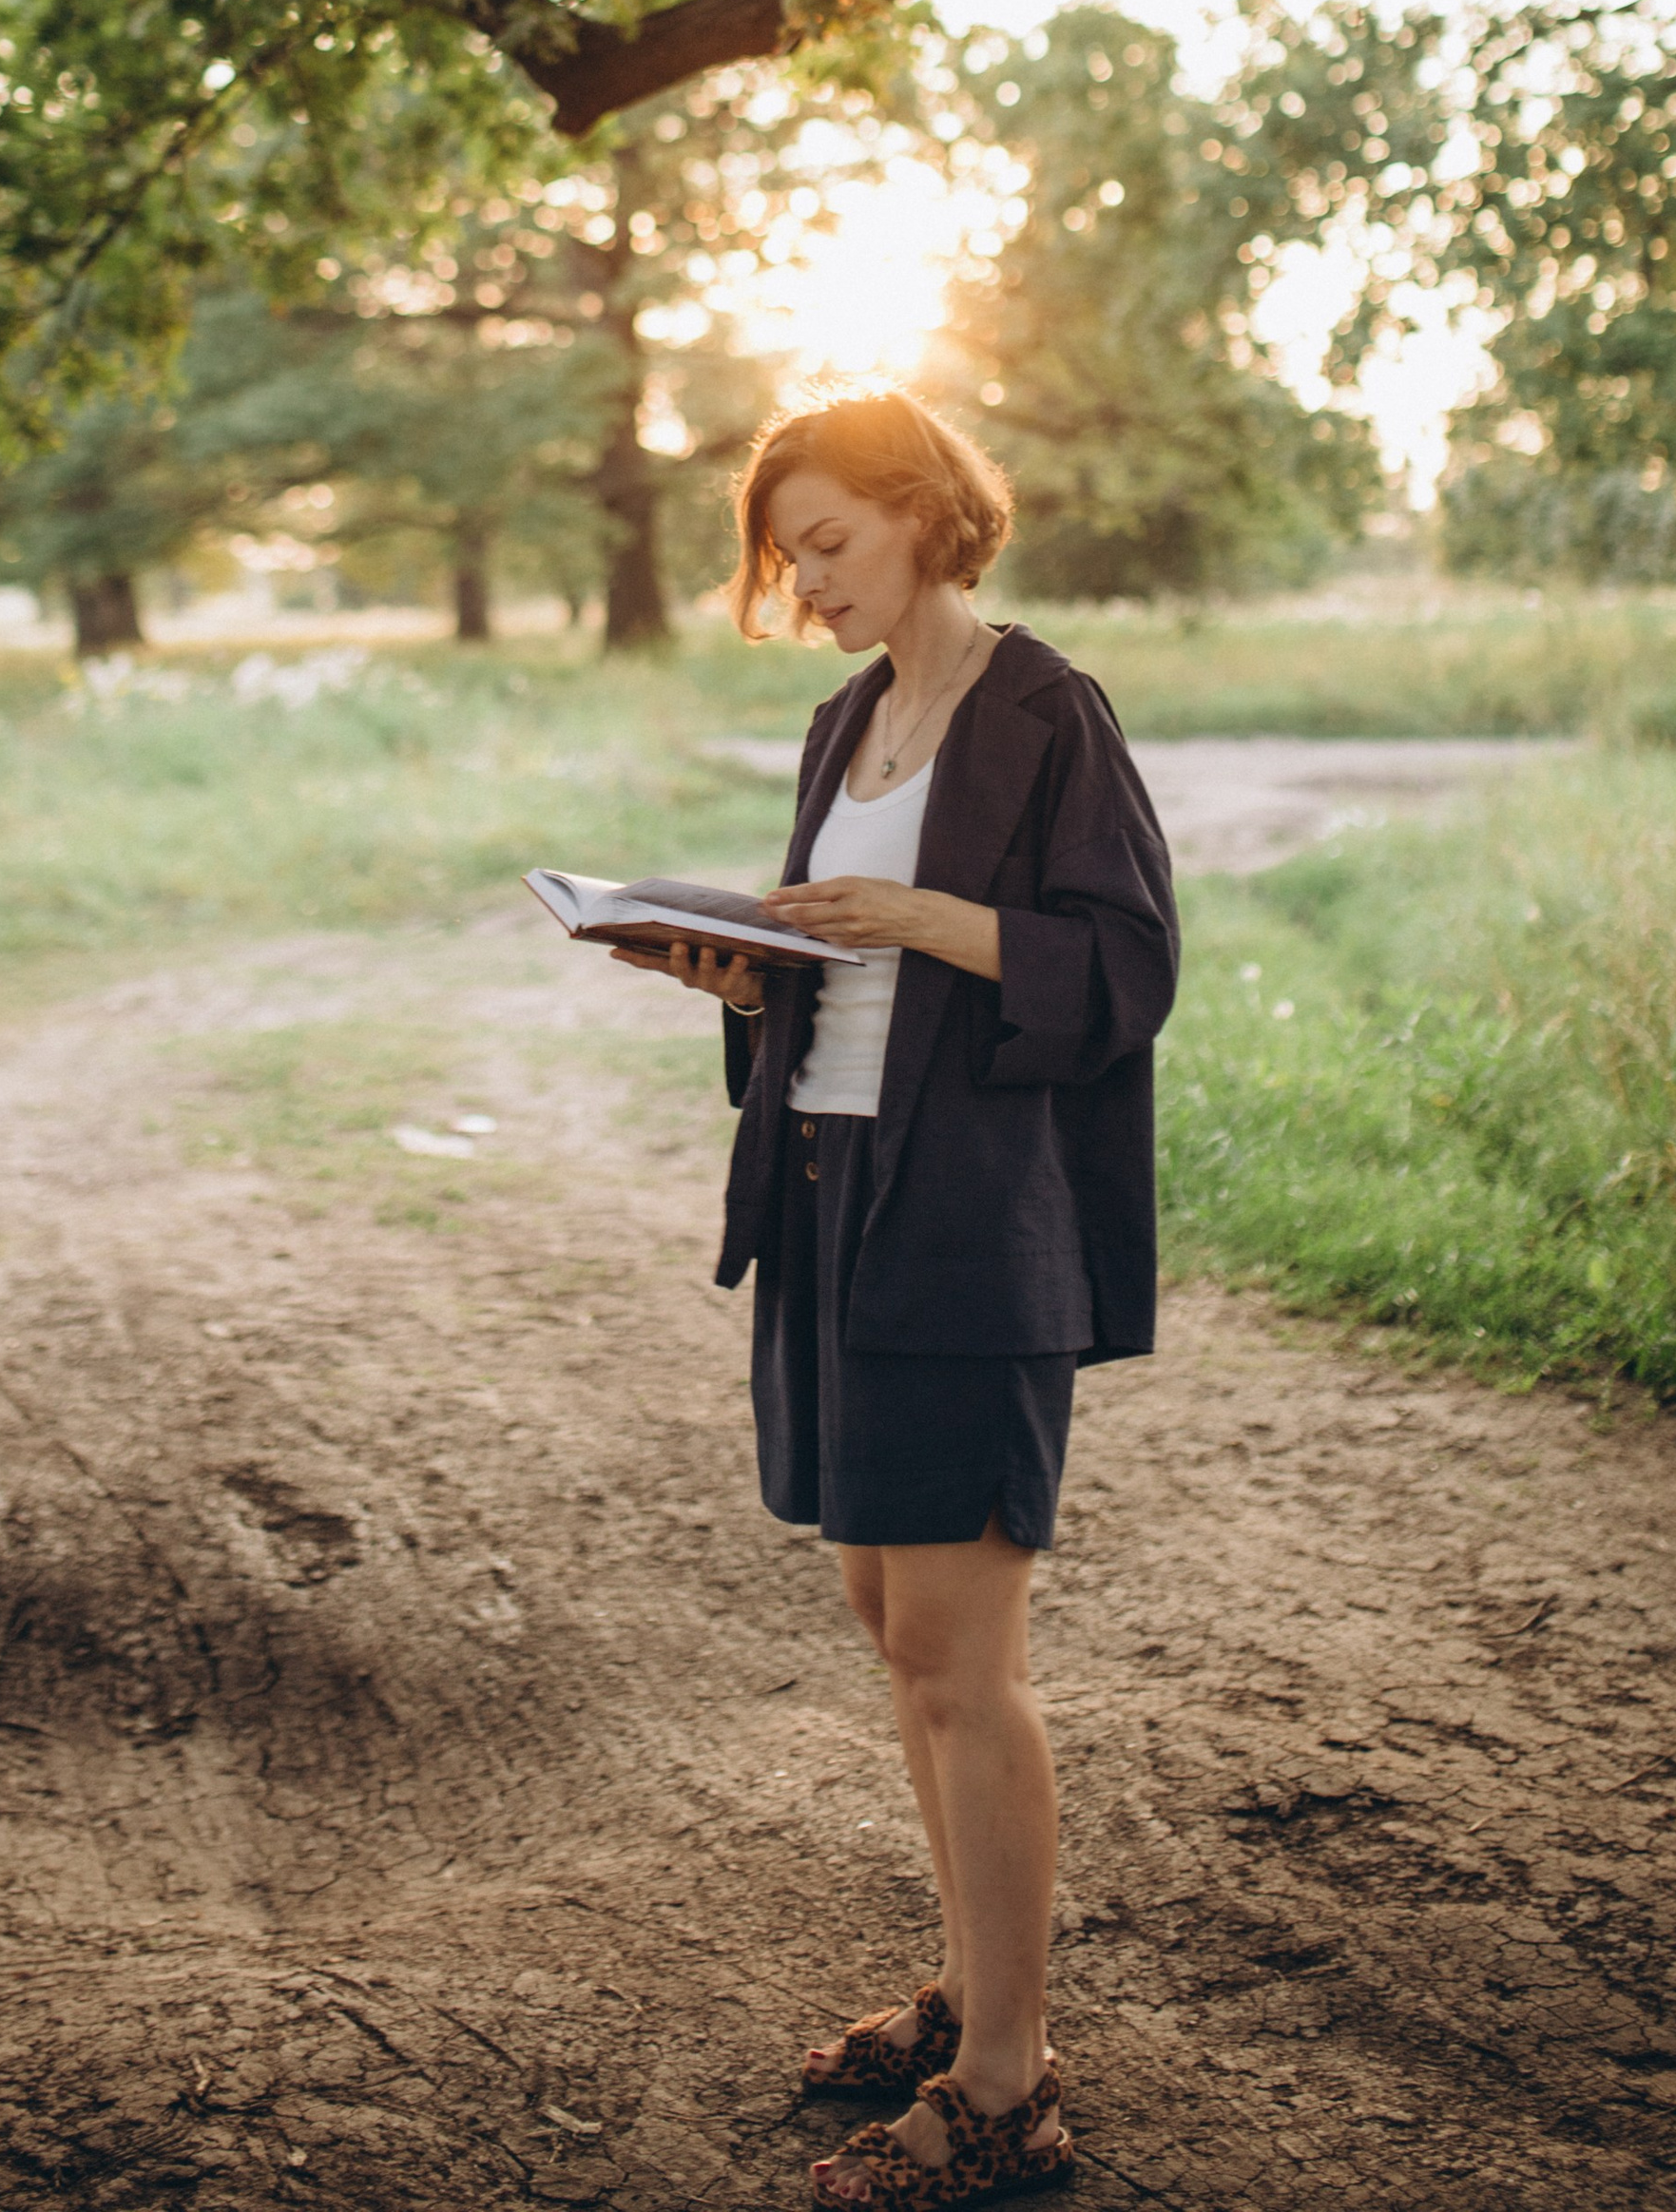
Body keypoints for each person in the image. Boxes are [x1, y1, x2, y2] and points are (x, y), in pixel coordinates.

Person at [613, 390, 1178, 2209]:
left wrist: (911, 917)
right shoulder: (845, 716)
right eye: (786, 555)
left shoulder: (1045, 711)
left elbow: (1129, 967)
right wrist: (740, 974)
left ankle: (1006, 2089)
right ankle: (968, 1996)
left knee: (963, 1660)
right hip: (830, 1194)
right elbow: (825, 978)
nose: (805, 584)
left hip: (974, 1212)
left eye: (829, 542)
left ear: (930, 512)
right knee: (891, 1623)